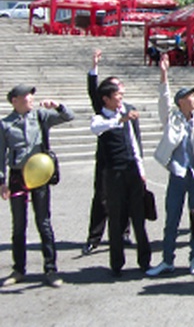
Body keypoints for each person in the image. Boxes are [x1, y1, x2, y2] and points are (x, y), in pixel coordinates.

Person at [147, 54, 194, 277]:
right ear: (181, 101)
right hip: (177, 175)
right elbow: (163, 100)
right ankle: (167, 260)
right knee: (172, 219)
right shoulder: (172, 121)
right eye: (190, 96)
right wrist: (164, 74)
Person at [0, 84, 74, 288]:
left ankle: (51, 269)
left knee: (44, 222)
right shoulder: (5, 124)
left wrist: (57, 106)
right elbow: (0, 155)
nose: (31, 99)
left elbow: (69, 116)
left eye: (32, 96)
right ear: (15, 100)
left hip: (39, 174)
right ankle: (18, 269)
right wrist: (2, 182)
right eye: (27, 96)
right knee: (18, 224)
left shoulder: (41, 116)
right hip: (17, 176)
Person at [90, 80, 151, 277]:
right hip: (114, 173)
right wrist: (119, 120)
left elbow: (133, 144)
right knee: (116, 218)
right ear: (106, 99)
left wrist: (141, 170)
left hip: (132, 170)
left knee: (139, 217)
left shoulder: (125, 115)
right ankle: (117, 263)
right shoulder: (101, 118)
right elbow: (96, 128)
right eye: (117, 95)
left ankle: (145, 260)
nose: (120, 99)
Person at [84, 49, 131, 255]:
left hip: (126, 159)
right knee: (101, 197)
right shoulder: (102, 109)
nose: (120, 92)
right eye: (116, 88)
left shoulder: (127, 108)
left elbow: (134, 136)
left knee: (126, 197)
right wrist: (94, 67)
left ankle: (124, 233)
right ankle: (94, 237)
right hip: (106, 160)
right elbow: (92, 90)